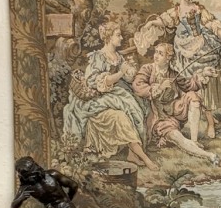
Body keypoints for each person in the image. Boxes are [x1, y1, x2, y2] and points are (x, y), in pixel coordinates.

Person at [62, 21, 157, 170]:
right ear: (108, 37)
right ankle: (144, 158)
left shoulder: (118, 57)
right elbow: (94, 82)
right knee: (122, 116)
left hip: (115, 95)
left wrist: (130, 70)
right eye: (118, 35)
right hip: (98, 99)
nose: (121, 38)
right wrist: (121, 72)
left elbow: (126, 78)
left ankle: (133, 154)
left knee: (140, 107)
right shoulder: (98, 57)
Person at [132, 42, 221, 167]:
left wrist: (203, 74)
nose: (156, 56)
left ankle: (194, 140)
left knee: (193, 96)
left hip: (174, 111)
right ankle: (211, 156)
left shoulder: (172, 73)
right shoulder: (148, 69)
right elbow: (137, 86)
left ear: (168, 58)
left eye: (161, 54)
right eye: (156, 52)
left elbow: (189, 85)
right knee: (178, 138)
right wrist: (159, 88)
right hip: (158, 117)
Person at [156, 0, 221, 112]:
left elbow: (213, 25)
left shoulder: (198, 9)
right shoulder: (176, 11)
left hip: (202, 43)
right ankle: (191, 106)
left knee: (210, 63)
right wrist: (151, 23)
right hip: (183, 47)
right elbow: (163, 21)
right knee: (186, 73)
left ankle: (210, 107)